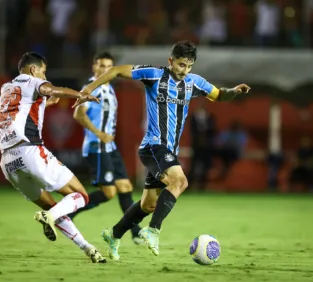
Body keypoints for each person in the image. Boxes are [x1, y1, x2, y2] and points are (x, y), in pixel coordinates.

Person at [74, 40, 251, 260]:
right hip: (153, 146)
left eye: (188, 66)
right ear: (170, 61)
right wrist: (87, 89)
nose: (184, 71)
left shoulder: (194, 82)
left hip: (168, 151)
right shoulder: (154, 75)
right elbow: (117, 70)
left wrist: (234, 91)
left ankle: (114, 234)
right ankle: (153, 230)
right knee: (180, 181)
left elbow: (218, 94)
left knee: (148, 204)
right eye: (180, 65)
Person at [0, 52, 106, 263]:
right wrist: (79, 94)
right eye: (43, 72)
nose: (43, 75)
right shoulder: (33, 81)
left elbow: (21, 110)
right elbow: (50, 89)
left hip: (8, 162)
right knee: (81, 196)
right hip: (29, 152)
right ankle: (51, 217)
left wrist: (44, 103)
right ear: (33, 70)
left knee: (52, 208)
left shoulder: (6, 88)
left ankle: (88, 248)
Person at [69, 52, 143, 244]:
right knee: (109, 192)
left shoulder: (109, 89)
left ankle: (136, 233)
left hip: (110, 147)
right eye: (101, 66)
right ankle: (68, 211)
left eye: (108, 67)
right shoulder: (92, 88)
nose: (104, 70)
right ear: (94, 67)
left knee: (125, 187)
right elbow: (78, 114)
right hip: (97, 146)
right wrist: (98, 133)